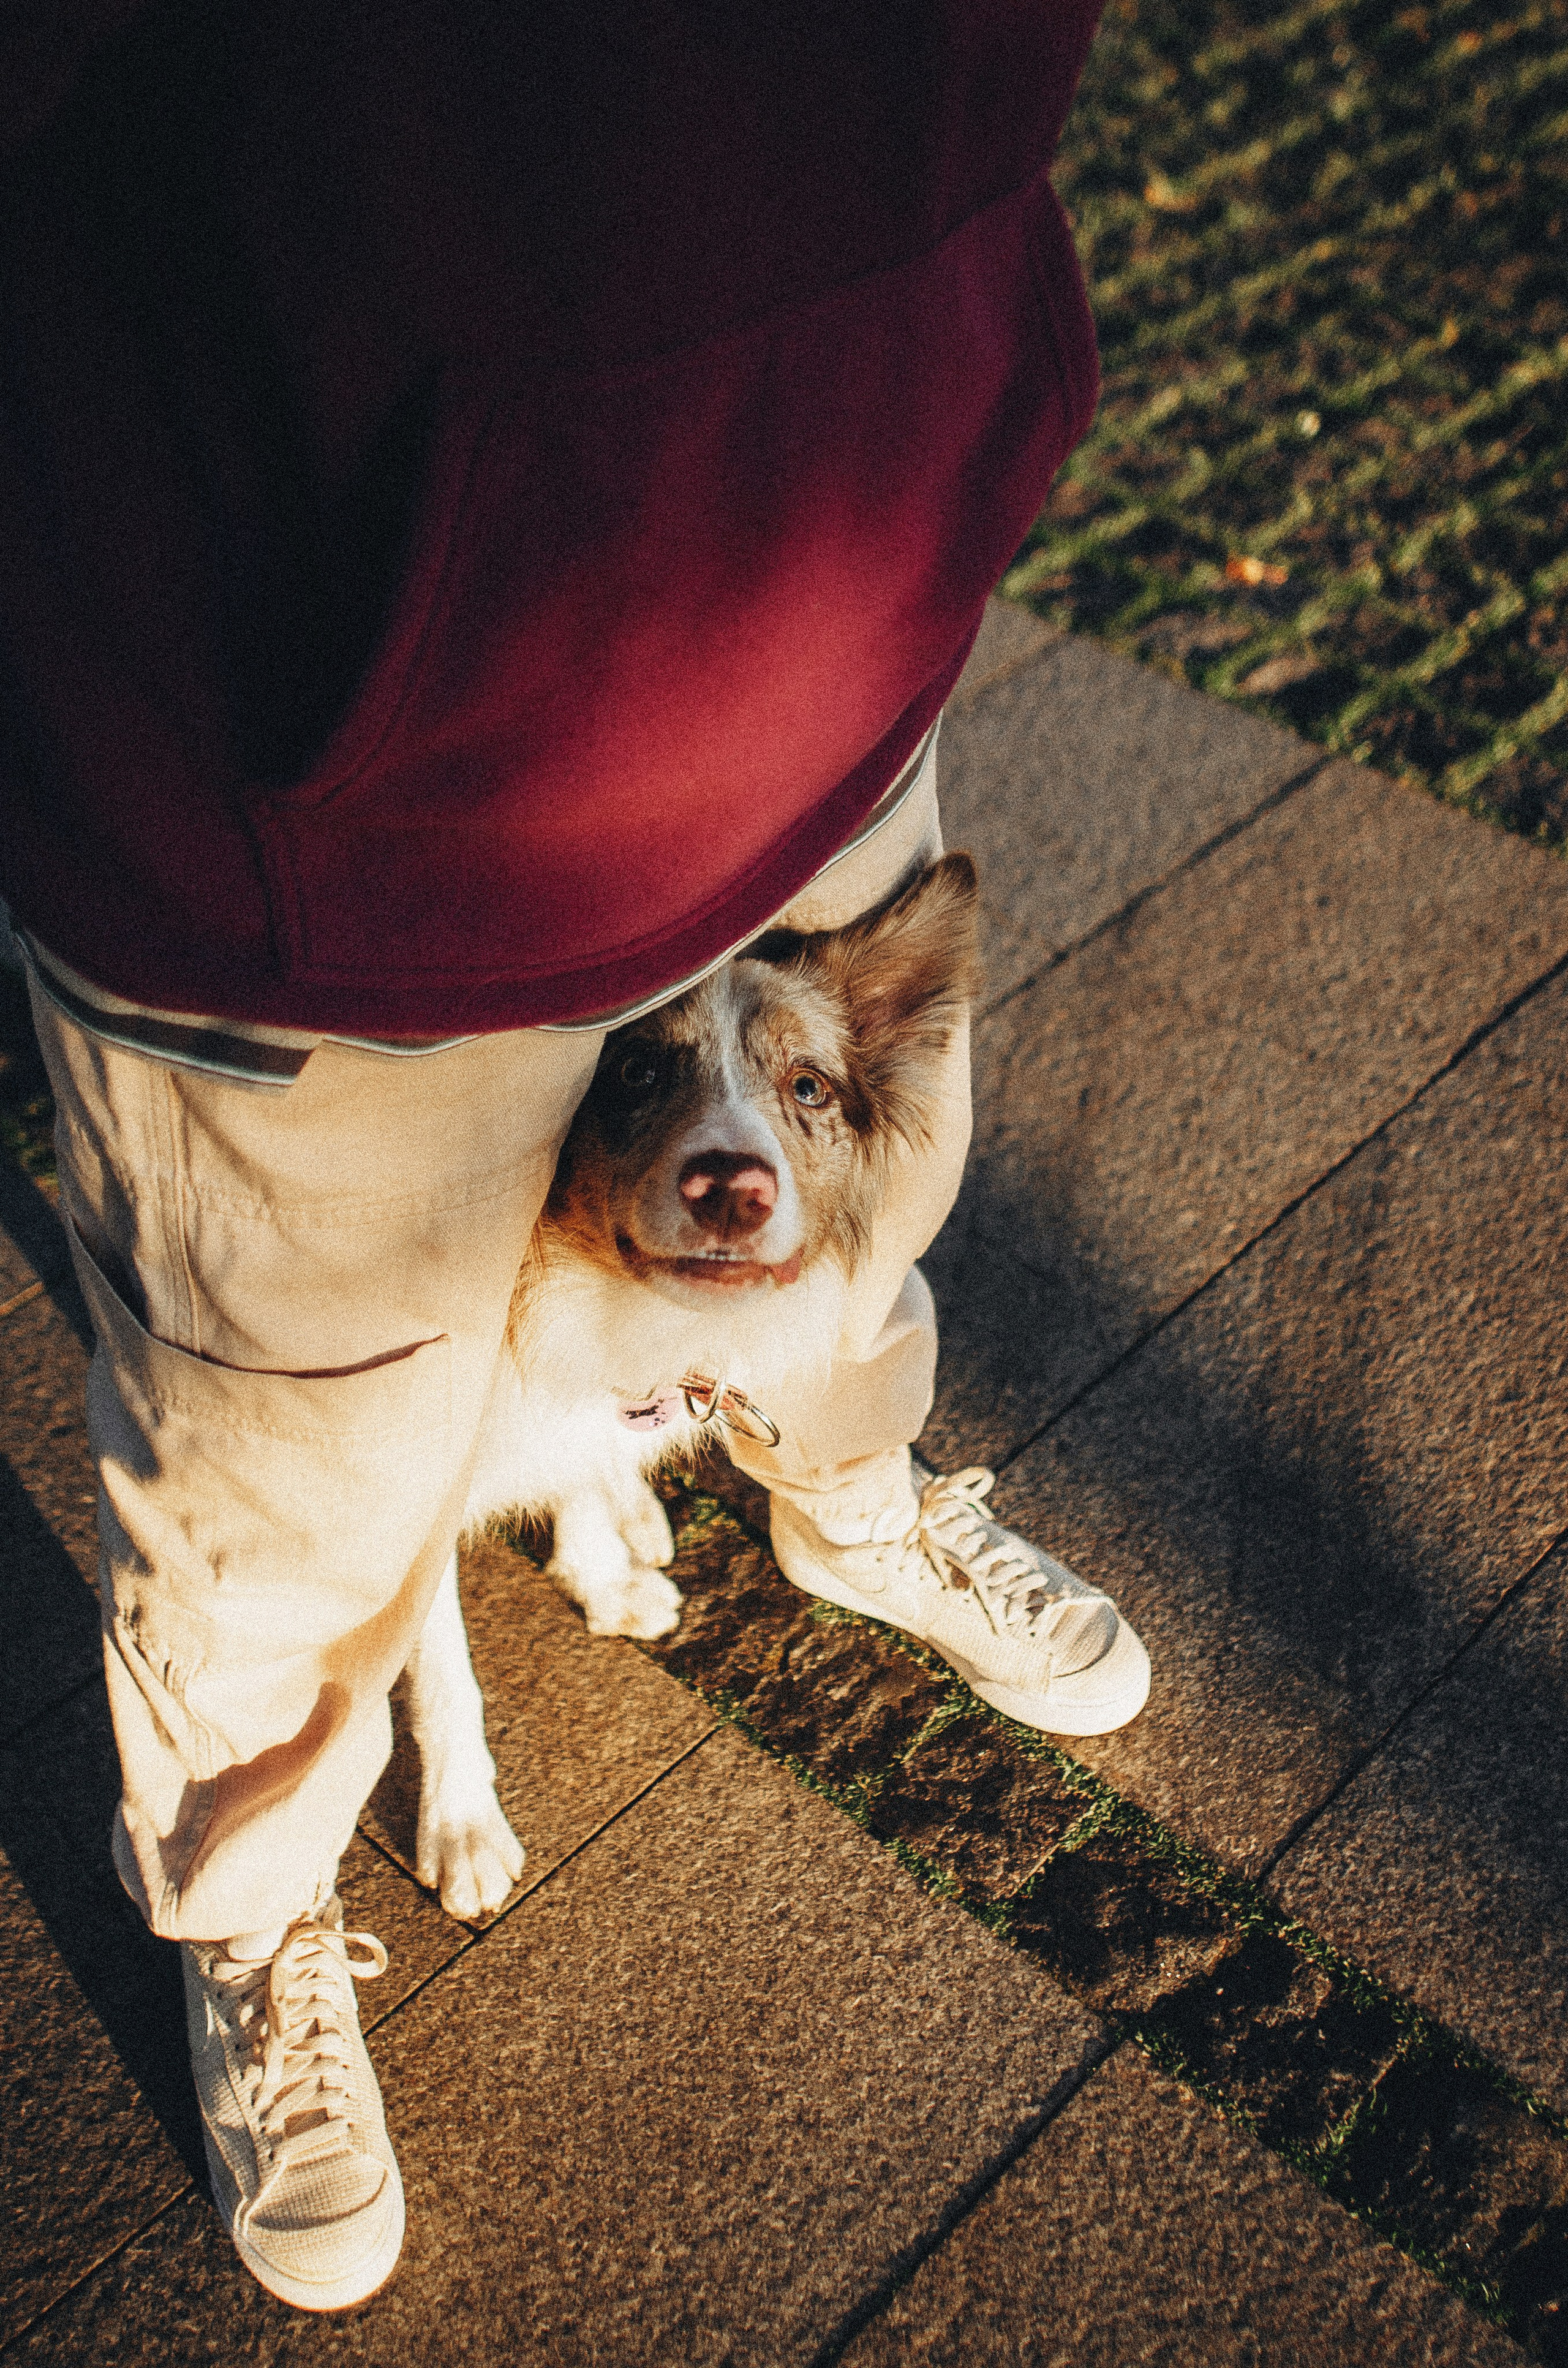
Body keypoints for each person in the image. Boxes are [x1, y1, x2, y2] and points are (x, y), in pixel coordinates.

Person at [0, 0, 1147, 2313]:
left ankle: (847, 1506)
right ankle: (252, 1902)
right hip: (298, 787)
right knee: (288, 1465)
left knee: (867, 1216)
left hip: (832, 596)